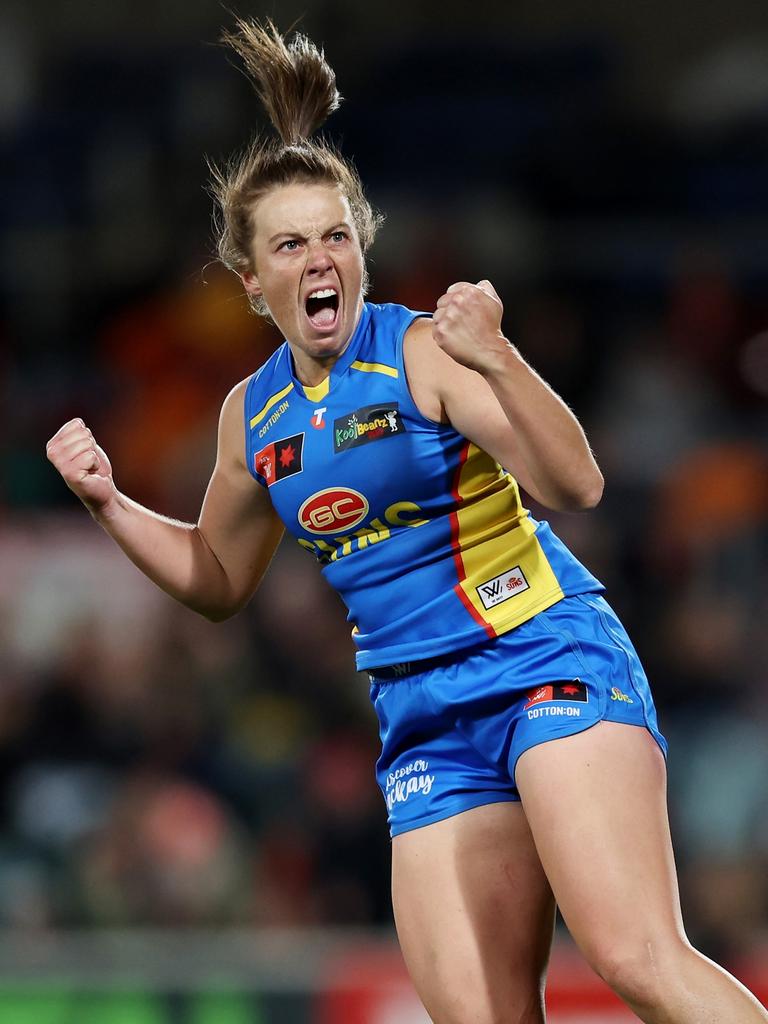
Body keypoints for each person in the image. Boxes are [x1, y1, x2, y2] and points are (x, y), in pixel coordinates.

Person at [46, 19, 768, 1024]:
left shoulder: (422, 353)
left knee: (635, 955)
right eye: (290, 244)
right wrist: (112, 504)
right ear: (253, 282)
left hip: (543, 657)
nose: (319, 258)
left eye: (335, 234)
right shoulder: (249, 418)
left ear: (361, 247)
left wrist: (502, 357)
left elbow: (578, 484)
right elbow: (217, 578)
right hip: (420, 719)